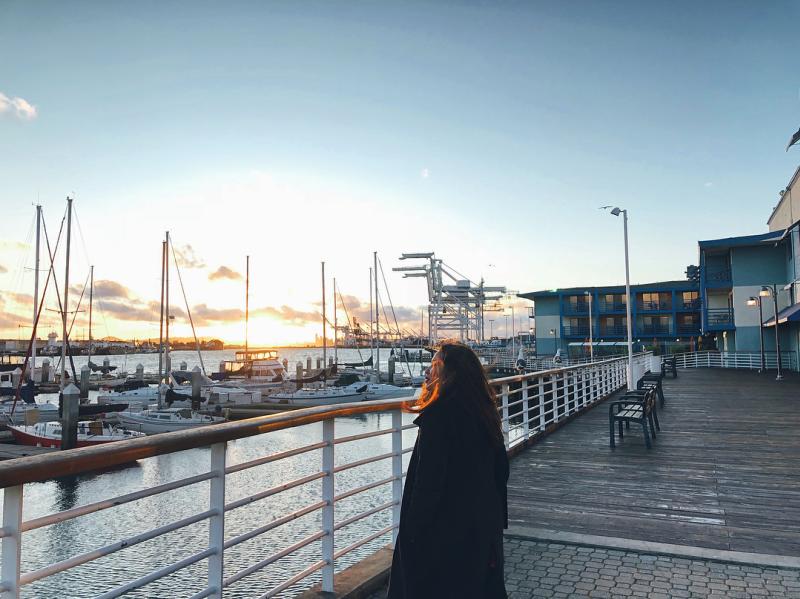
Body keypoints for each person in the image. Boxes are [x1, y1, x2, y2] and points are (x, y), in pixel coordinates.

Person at [387, 341, 509, 599]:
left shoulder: (439, 417)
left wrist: (411, 534)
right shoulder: (484, 412)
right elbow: (501, 471)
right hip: (480, 532)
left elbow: (428, 484)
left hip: (444, 539)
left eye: (435, 365)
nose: (429, 372)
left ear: (451, 373)